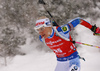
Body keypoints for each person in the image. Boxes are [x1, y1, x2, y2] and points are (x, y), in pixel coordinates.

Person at [34, 16, 100, 71]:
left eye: (42, 29)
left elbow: (78, 20)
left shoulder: (62, 30)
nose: (40, 32)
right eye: (38, 30)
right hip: (60, 64)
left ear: (48, 26)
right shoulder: (42, 38)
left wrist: (93, 28)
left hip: (73, 62)